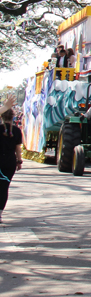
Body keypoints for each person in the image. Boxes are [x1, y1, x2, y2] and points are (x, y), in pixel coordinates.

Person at [0, 95, 23, 224]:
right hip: (9, 163)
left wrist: (4, 107)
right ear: (13, 117)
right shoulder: (17, 131)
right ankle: (0, 213)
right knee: (4, 188)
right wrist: (19, 161)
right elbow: (18, 149)